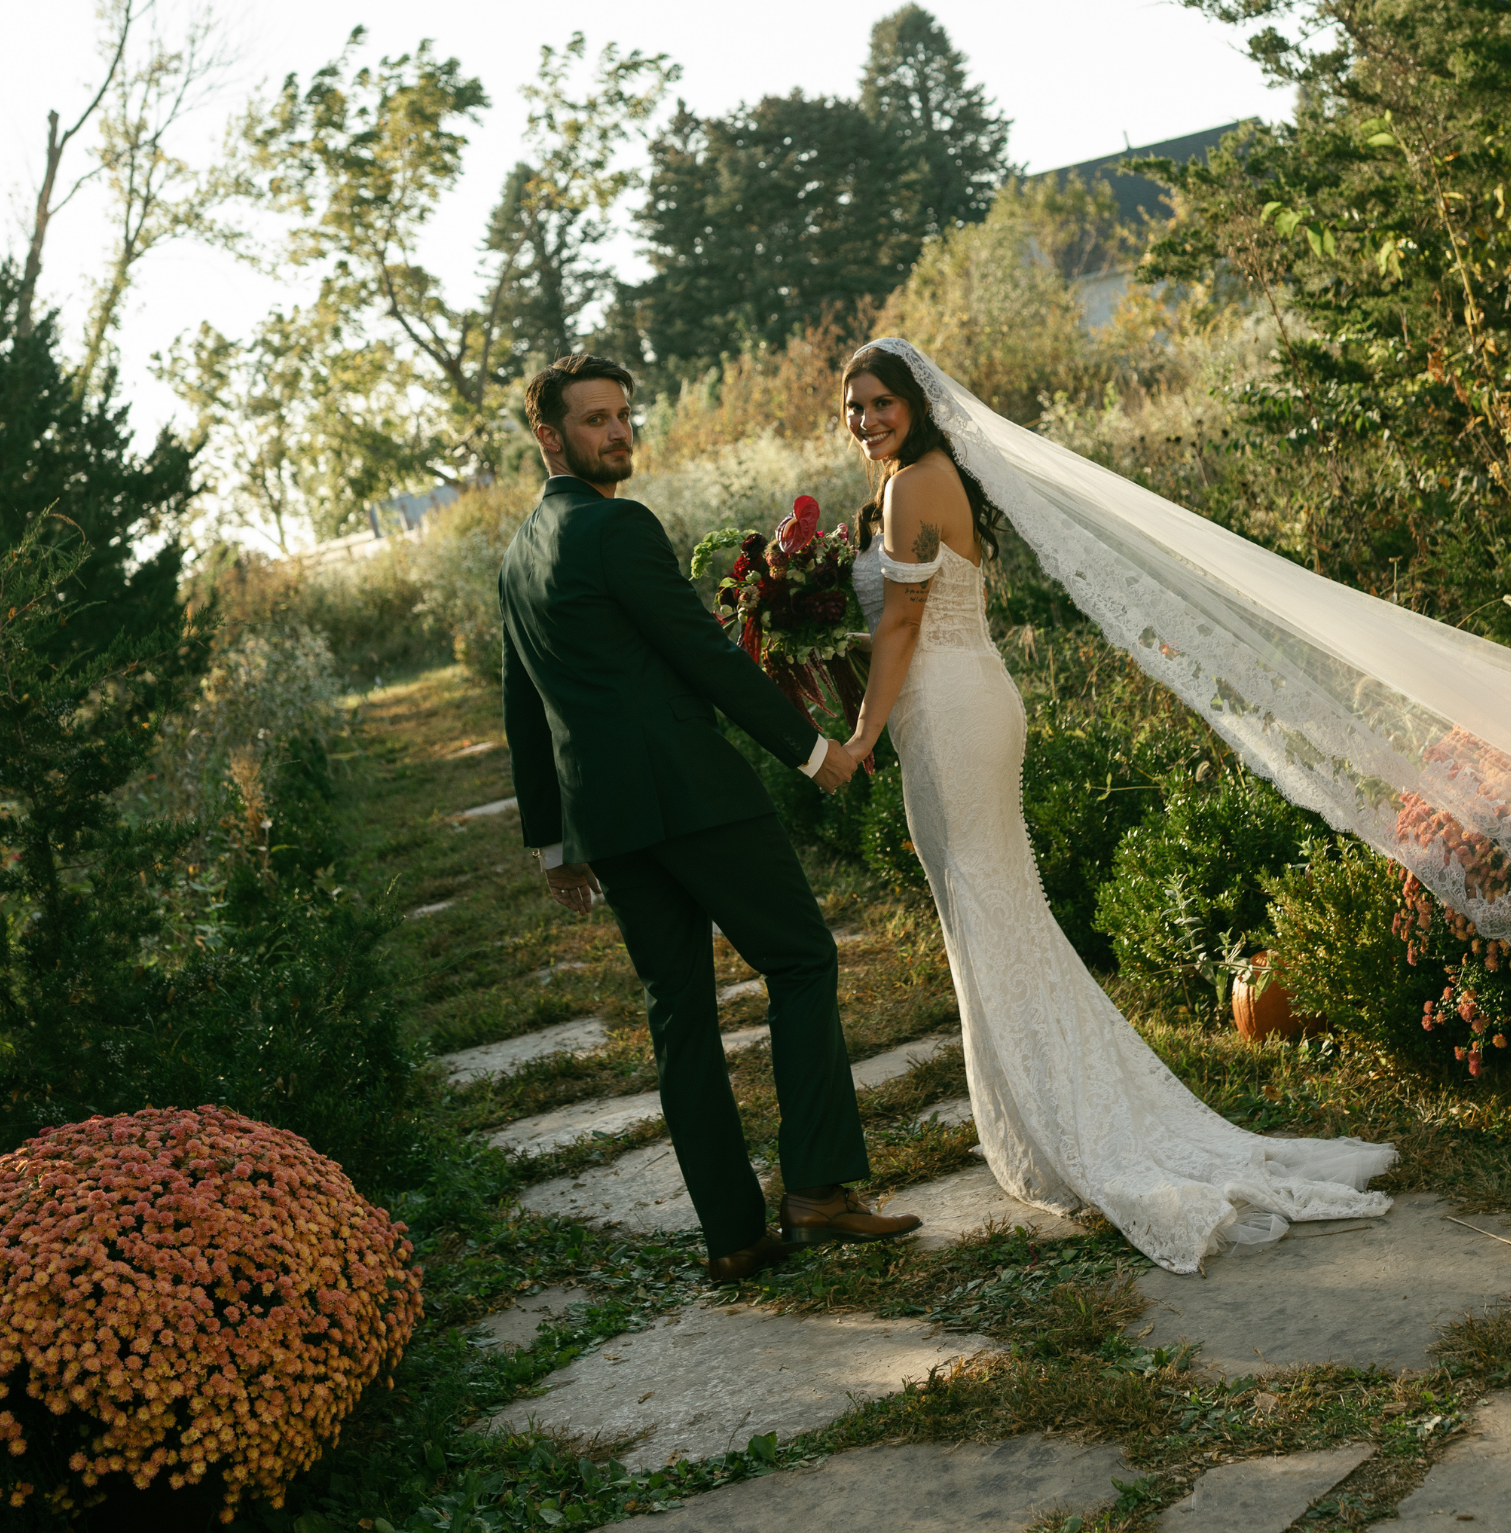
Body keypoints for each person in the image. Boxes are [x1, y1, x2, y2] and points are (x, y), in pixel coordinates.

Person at [839, 340, 1397, 1274]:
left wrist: (859, 735)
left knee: (984, 913)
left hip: (944, 714)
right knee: (998, 912)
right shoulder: (928, 478)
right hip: (970, 697)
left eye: (881, 402)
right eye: (854, 406)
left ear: (919, 404)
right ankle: (1052, 1106)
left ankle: (1076, 1129)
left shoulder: (909, 486)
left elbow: (898, 623)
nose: (866, 419)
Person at [499, 351, 922, 1283]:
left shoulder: (520, 555)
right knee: (803, 957)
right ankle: (816, 1190)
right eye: (595, 419)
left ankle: (732, 1233)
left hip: (610, 822)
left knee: (677, 1015)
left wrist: (551, 841)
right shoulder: (617, 527)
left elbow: (524, 707)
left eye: (621, 414)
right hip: (691, 796)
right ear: (549, 435)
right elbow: (701, 655)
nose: (616, 432)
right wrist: (816, 752)